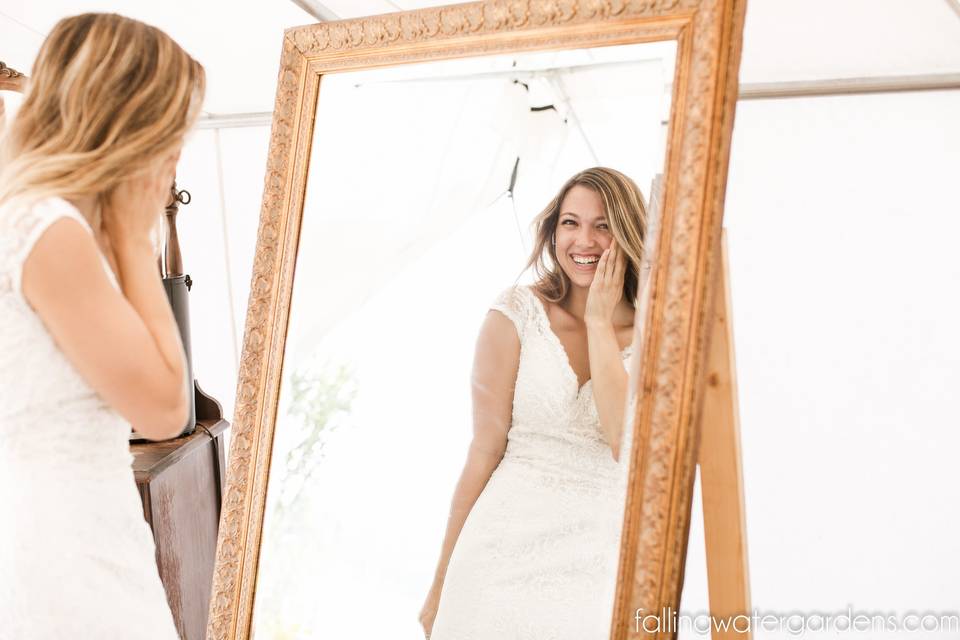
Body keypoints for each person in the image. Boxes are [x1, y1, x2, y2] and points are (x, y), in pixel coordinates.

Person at [0, 14, 205, 639]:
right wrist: (136, 230)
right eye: (171, 127)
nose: (175, 152)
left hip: (73, 532)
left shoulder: (35, 218)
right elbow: (168, 411)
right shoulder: (49, 230)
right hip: (64, 554)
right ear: (128, 118)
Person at [420, 167, 648, 639]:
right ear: (552, 231)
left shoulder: (655, 337)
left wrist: (600, 325)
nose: (584, 240)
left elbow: (625, 443)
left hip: (592, 569)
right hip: (496, 553)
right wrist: (440, 580)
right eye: (570, 222)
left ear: (627, 233)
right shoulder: (516, 315)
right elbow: (484, 451)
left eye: (602, 225)